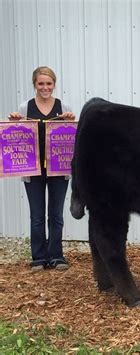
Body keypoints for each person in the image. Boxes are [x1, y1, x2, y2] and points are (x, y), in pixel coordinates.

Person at [9, 66, 75, 272]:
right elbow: (16, 134)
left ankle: (56, 256)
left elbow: (71, 135)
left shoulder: (63, 106)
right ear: (34, 84)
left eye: (48, 83)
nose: (45, 87)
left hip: (58, 169)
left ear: (54, 84)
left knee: (56, 215)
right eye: (41, 83)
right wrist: (14, 122)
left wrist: (71, 121)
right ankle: (38, 257)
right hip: (33, 170)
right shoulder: (25, 107)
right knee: (36, 215)